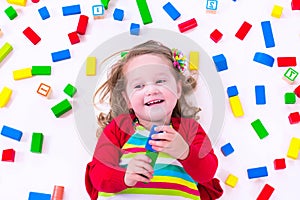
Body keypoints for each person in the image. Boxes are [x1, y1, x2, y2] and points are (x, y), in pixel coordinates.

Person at [85, 40, 223, 200]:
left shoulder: (189, 129)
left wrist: (185, 152)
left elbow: (207, 173)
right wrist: (125, 176)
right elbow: (97, 175)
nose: (151, 90)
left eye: (160, 81)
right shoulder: (118, 128)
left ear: (178, 89)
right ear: (127, 99)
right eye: (138, 86)